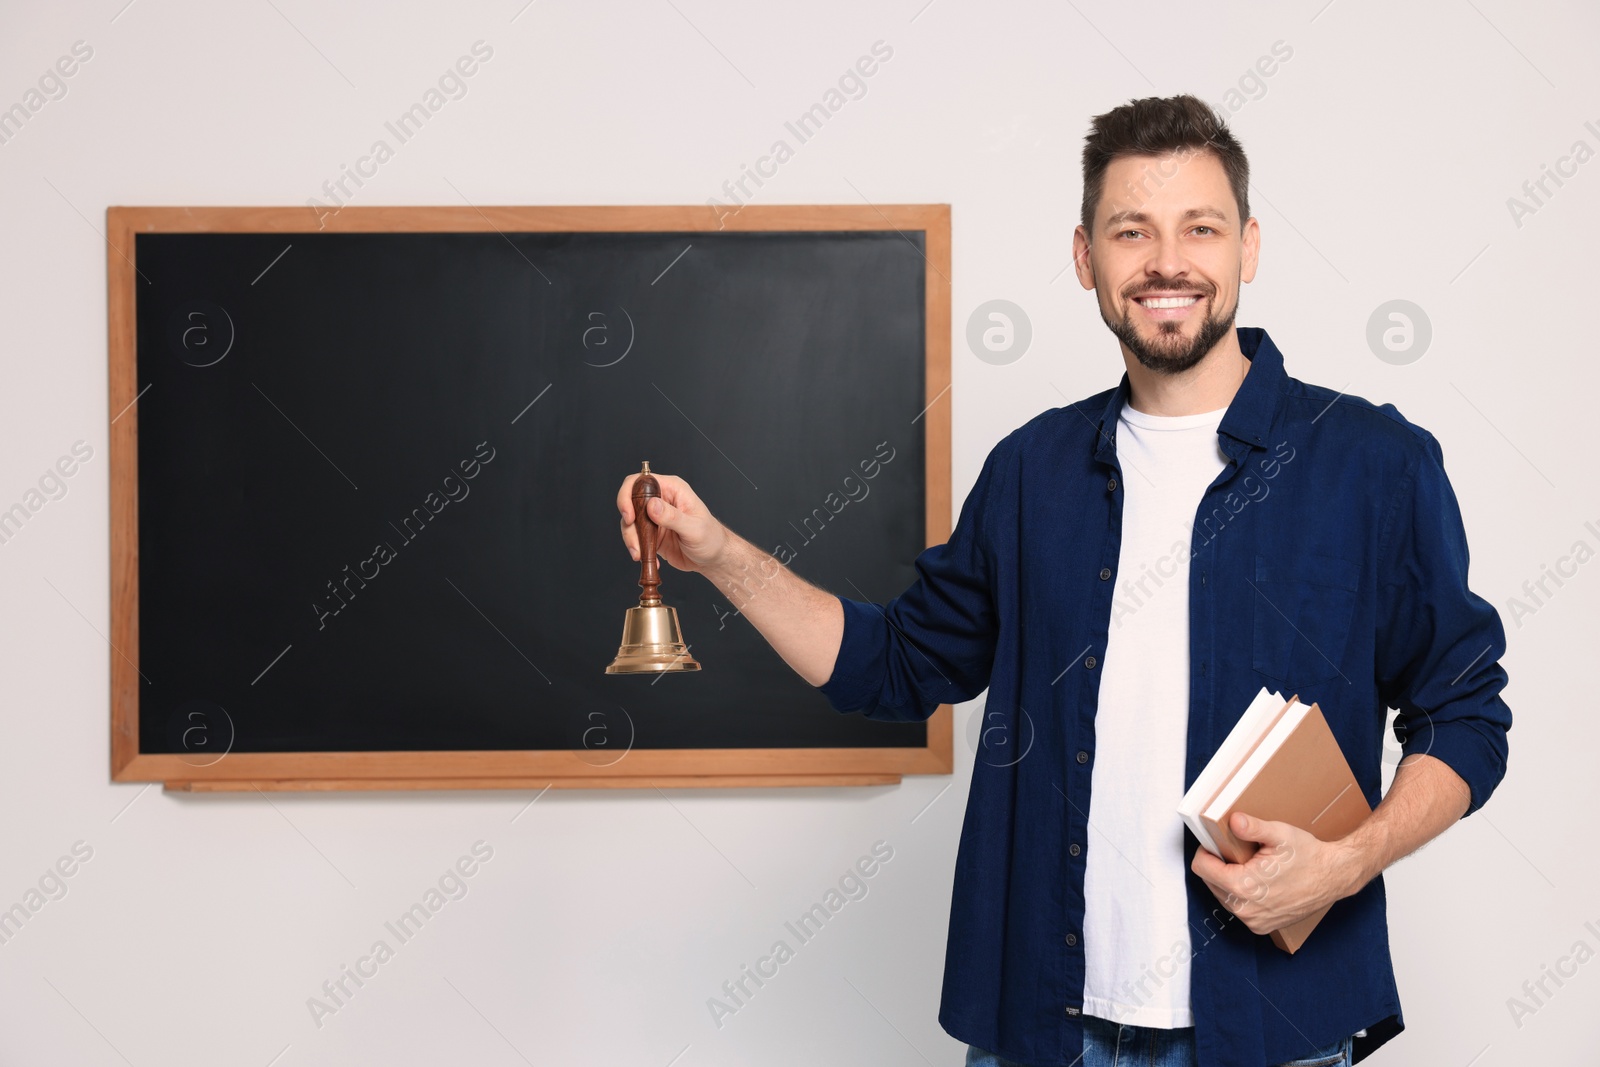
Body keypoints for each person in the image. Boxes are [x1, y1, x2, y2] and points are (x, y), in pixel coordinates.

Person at [615, 94, 1511, 1067]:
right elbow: (893, 665)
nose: (1166, 261)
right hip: (1042, 1028)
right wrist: (714, 553)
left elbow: (1464, 713)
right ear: (1085, 256)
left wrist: (1344, 863)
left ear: (1247, 247)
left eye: (1198, 228)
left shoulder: (1372, 463)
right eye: (1132, 230)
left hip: (1273, 1028)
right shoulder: (1029, 470)